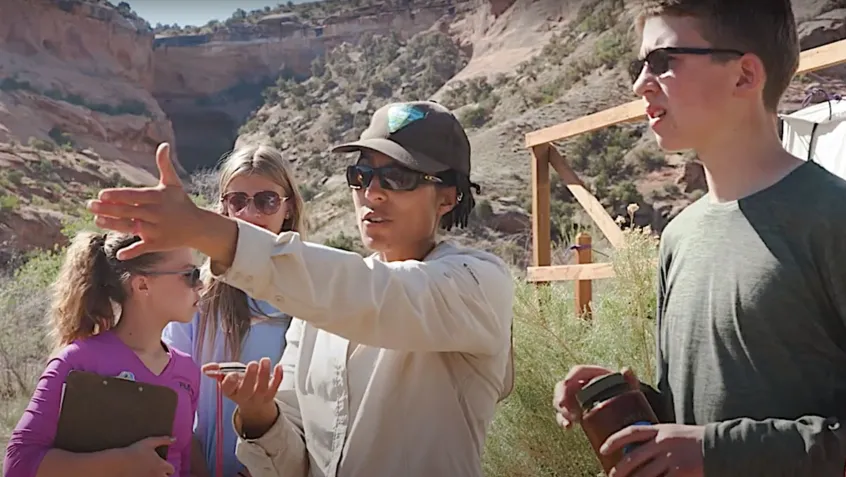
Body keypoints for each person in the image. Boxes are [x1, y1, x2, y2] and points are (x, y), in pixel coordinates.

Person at [85, 100, 514, 477]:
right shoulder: (315, 315)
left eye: (399, 177)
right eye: (362, 175)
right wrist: (259, 417)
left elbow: (378, 297)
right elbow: (293, 459)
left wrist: (206, 230)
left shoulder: (478, 284)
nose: (373, 193)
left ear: (448, 196)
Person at [552, 0, 846, 476]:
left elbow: (710, 444)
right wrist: (629, 402)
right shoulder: (679, 236)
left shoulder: (833, 219)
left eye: (663, 62)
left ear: (744, 76)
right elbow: (694, 415)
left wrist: (715, 451)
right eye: (639, 64)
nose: (639, 84)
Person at [3, 231, 204, 477]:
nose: (201, 284)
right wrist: (122, 463)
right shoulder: (79, 362)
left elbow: (182, 466)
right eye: (191, 275)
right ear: (142, 285)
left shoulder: (187, 371)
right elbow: (19, 463)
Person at [162, 144, 307, 477]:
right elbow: (173, 395)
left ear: (287, 208)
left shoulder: (308, 294)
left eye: (266, 201)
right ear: (224, 208)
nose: (250, 214)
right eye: (237, 201)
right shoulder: (196, 295)